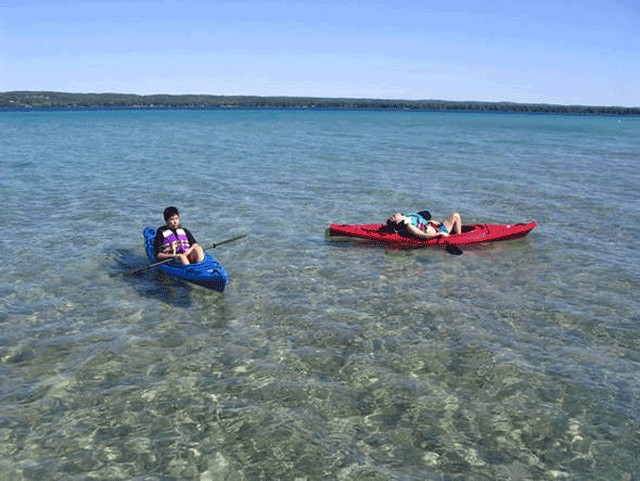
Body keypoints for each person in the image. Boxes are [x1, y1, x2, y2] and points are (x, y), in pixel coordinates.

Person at [386, 210, 462, 240]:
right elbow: (423, 236)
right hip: (438, 232)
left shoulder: (408, 217)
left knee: (455, 215)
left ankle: (458, 235)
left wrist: (429, 221)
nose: (393, 214)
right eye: (392, 217)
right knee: (456, 215)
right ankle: (459, 239)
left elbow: (419, 222)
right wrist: (440, 233)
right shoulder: (408, 226)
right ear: (396, 222)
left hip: (435, 227)